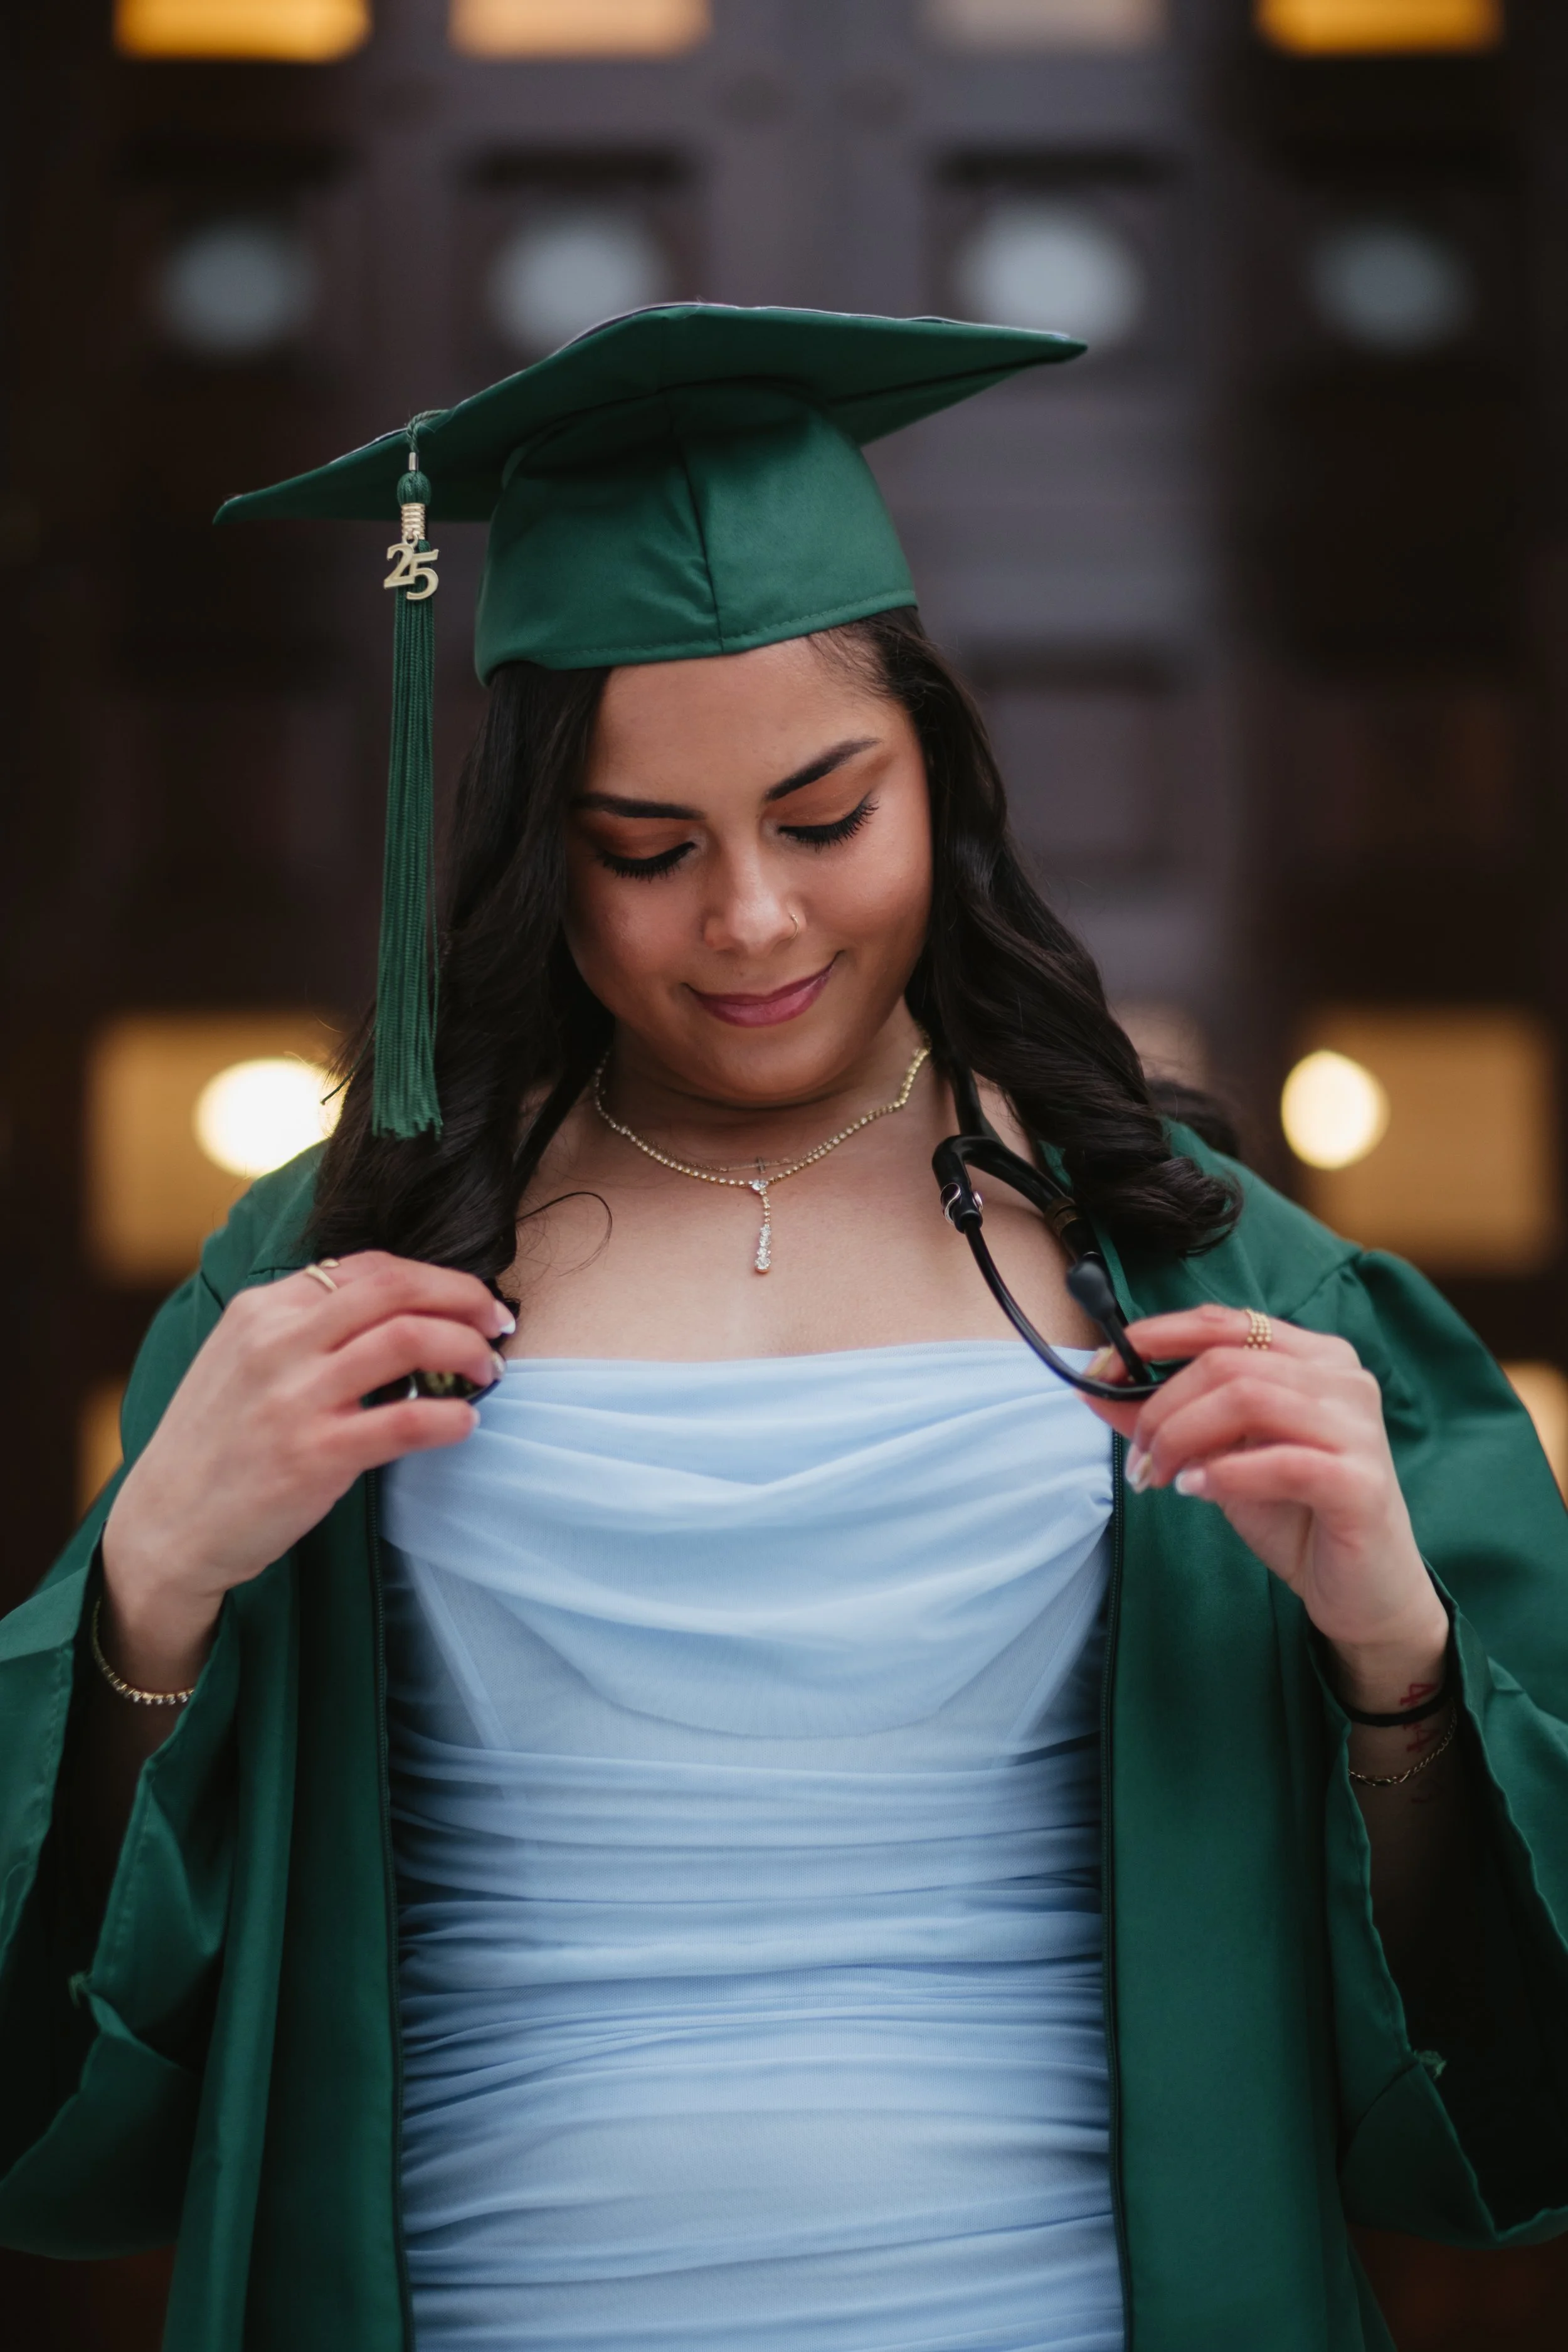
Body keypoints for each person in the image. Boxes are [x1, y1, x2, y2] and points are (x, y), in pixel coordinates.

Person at [2, 305, 1567, 2352]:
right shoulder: (339, 1273)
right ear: (524, 858)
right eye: (644, 852)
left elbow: (1494, 2090)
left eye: (826, 818)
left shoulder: (1197, 1268)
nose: (750, 920)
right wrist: (150, 1588)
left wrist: (1394, 1658)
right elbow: (72, 2101)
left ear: (946, 779)